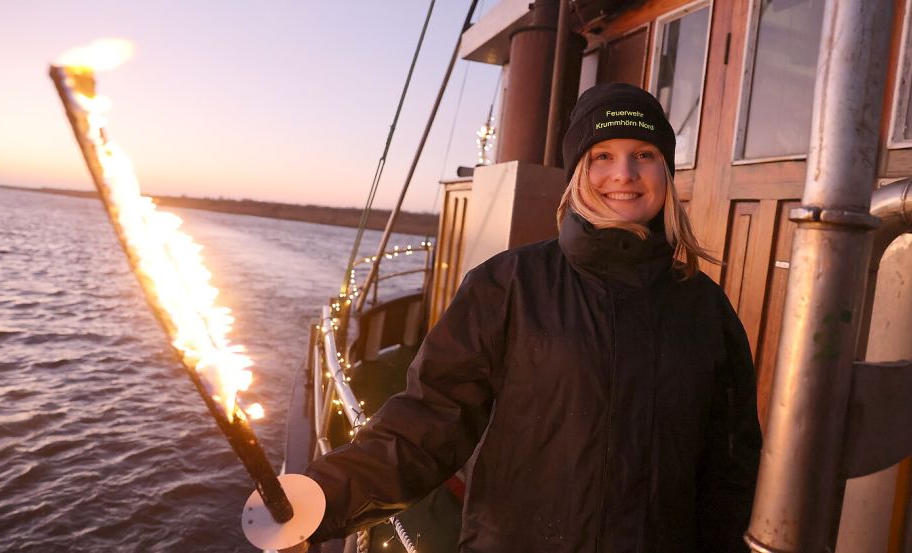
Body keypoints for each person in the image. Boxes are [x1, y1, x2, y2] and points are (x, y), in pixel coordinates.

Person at [305, 83, 762, 552]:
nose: (624, 173)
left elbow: (730, 465)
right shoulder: (509, 285)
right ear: (578, 174)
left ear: (664, 171)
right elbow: (432, 418)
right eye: (602, 156)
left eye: (643, 154)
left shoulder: (706, 309)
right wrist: (323, 497)